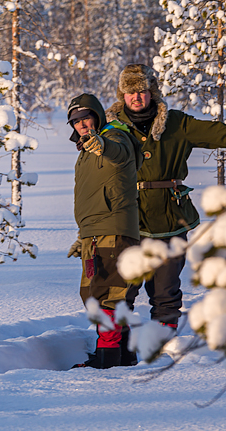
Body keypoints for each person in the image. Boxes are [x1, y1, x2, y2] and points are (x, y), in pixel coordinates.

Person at [106, 64, 226, 330]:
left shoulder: (176, 124)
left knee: (165, 294)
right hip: (127, 222)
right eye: (130, 92)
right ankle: (118, 350)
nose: (136, 97)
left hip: (170, 220)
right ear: (121, 95)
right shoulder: (111, 130)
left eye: (142, 91)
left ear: (153, 92)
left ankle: (162, 350)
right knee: (120, 293)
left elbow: (218, 133)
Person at [66, 92, 143, 369]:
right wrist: (82, 236)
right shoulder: (84, 153)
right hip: (95, 233)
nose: (82, 125)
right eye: (76, 121)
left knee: (106, 296)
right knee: (102, 294)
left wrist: (102, 145)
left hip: (113, 229)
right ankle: (123, 356)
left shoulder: (114, 136)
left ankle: (107, 359)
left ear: (97, 116)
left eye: (86, 118)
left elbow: (121, 155)